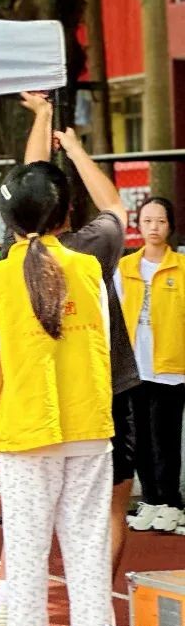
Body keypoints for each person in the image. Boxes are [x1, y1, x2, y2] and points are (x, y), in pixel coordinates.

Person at [0, 92, 142, 626]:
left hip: (31, 415)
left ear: (15, 219)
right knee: (93, 530)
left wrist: (43, 119)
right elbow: (113, 206)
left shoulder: (9, 264)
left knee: (27, 537)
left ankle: (14, 614)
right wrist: (72, 147)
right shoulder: (93, 252)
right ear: (68, 208)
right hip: (95, 406)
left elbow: (30, 184)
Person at [0, 162, 115, 626]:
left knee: (27, 559)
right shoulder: (89, 269)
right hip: (89, 425)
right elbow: (101, 341)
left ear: (7, 220)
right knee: (89, 552)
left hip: (26, 433)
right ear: (67, 213)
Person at [117, 197, 185, 534]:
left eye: (160, 221)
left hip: (171, 367)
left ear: (170, 226)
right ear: (138, 226)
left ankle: (172, 503)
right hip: (135, 367)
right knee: (140, 437)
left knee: (166, 437)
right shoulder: (125, 267)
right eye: (147, 221)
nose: (154, 227)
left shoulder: (181, 268)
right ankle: (151, 500)